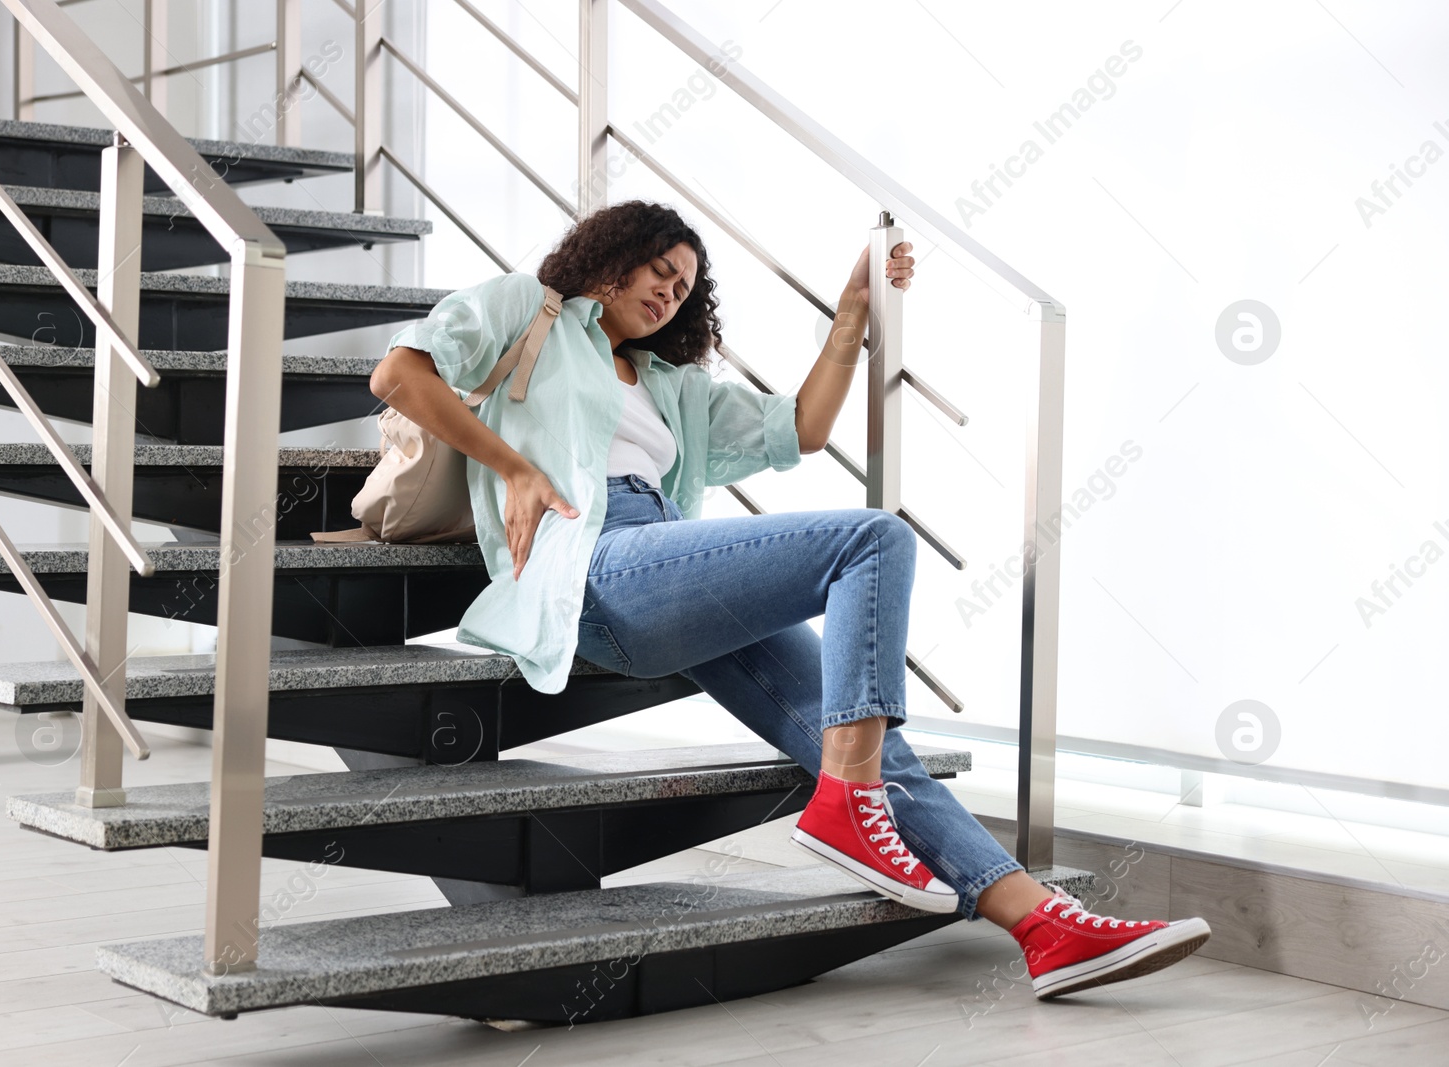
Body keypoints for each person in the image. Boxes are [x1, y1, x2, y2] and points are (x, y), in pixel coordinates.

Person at [370, 200, 1210, 999]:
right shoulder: (530, 309)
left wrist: (852, 313)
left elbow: (800, 427)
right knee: (873, 537)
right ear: (609, 255)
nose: (669, 292)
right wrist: (514, 466)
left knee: (873, 750)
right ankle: (846, 808)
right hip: (588, 563)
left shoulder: (672, 385)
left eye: (683, 286)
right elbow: (398, 371)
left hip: (662, 563)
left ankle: (1045, 928)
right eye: (658, 270)